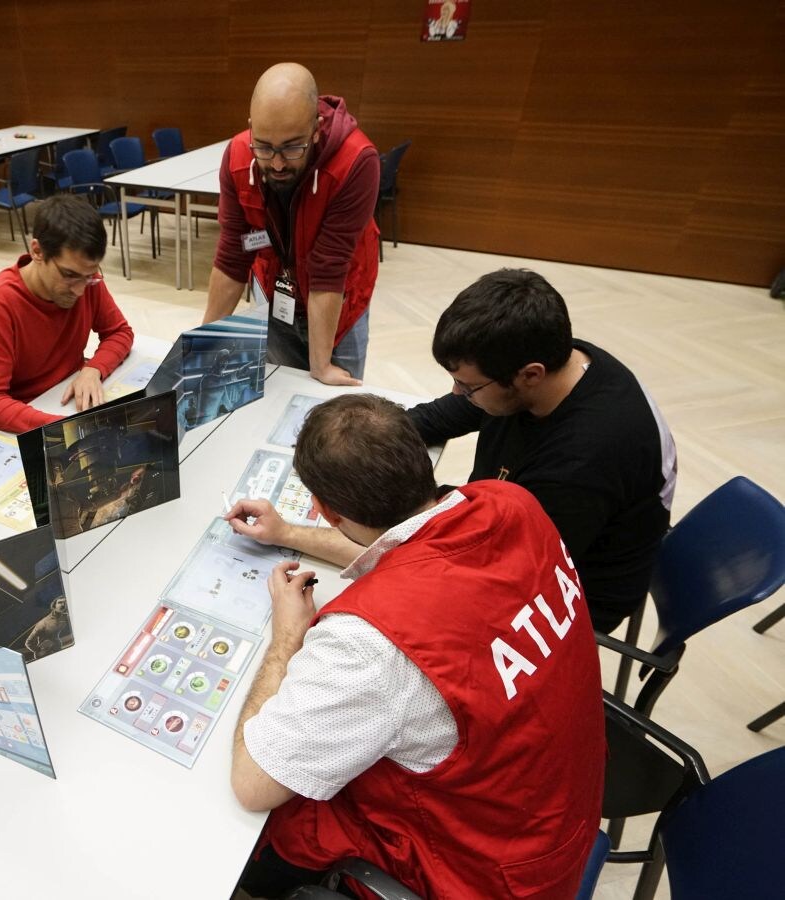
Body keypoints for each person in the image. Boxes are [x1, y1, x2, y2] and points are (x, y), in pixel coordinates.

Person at [231, 394, 605, 899]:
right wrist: (287, 532)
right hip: (555, 813)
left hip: (484, 875)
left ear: (327, 509)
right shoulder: (510, 503)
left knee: (261, 843)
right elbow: (411, 545)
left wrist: (288, 640)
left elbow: (254, 785)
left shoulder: (371, 641)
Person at [228, 268, 676, 633]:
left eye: (469, 384)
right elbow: (438, 417)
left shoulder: (579, 466)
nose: (458, 392)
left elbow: (461, 566)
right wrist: (345, 448)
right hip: (510, 528)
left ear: (530, 375)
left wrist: (288, 532)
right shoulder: (551, 357)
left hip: (561, 599)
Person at [202, 62, 380, 387]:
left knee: (335, 405)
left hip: (340, 299)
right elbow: (234, 253)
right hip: (276, 291)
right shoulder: (239, 156)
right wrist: (205, 346)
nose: (278, 163)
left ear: (316, 127)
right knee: (281, 389)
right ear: (252, 127)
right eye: (265, 147)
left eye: (293, 146)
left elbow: (329, 268)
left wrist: (321, 365)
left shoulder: (356, 162)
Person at [0, 194, 135, 433]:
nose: (79, 290)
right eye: (69, 275)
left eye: (89, 275)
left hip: (68, 401)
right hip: (26, 421)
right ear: (37, 251)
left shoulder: (88, 281)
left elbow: (119, 331)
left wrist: (93, 369)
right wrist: (61, 428)